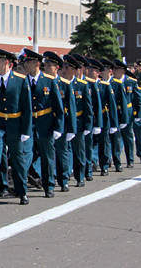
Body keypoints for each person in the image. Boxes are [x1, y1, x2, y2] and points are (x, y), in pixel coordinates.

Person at [0, 47, 32, 205]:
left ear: (6, 63)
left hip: (15, 124)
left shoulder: (21, 80)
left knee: (17, 159)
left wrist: (26, 130)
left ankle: (22, 191)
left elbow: (27, 107)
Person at [23, 48, 64, 198]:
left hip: (45, 124)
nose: (26, 65)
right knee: (25, 155)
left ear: (36, 63)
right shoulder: (23, 80)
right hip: (28, 124)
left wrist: (58, 127)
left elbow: (58, 107)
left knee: (47, 157)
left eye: (28, 62)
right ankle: (21, 185)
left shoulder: (49, 81)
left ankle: (49, 186)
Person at [43, 51, 76, 192]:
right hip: (45, 123)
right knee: (48, 155)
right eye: (45, 65)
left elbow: (71, 108)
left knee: (62, 153)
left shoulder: (64, 84)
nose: (46, 68)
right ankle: (49, 182)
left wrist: (71, 129)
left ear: (56, 67)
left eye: (49, 65)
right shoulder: (43, 82)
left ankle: (64, 180)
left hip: (61, 124)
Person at [62, 55, 93, 187]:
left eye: (67, 67)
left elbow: (88, 107)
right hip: (64, 121)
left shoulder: (82, 85)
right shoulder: (60, 83)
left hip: (78, 122)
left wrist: (88, 125)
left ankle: (80, 176)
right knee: (64, 150)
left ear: (74, 70)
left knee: (79, 151)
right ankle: (66, 174)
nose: (64, 70)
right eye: (63, 67)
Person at [100, 58, 128, 172]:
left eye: (105, 69)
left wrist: (124, 120)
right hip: (103, 115)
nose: (102, 72)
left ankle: (117, 162)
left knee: (115, 140)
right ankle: (105, 165)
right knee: (104, 141)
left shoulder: (117, 83)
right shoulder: (100, 83)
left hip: (114, 115)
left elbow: (123, 102)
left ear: (110, 71)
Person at [113, 59, 140, 168]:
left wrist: (138, 114)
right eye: (114, 69)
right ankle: (117, 160)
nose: (114, 71)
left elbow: (137, 99)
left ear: (123, 71)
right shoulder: (112, 82)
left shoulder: (131, 81)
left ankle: (130, 160)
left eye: (117, 69)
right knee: (116, 138)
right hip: (116, 112)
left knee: (128, 137)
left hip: (128, 112)